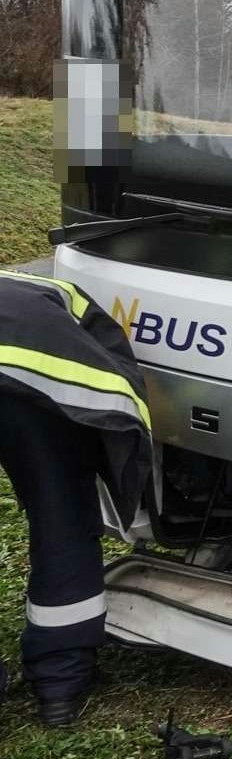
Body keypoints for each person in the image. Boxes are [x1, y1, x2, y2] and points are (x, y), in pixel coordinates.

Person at [0, 270, 154, 726]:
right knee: (61, 519)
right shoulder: (46, 292)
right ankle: (60, 688)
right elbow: (116, 381)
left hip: (29, 369)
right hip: (38, 384)